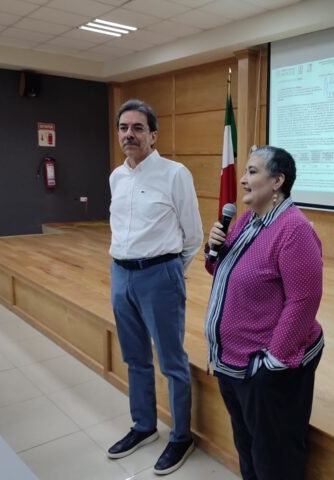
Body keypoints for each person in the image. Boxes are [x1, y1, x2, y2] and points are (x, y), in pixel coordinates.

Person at [204, 146, 324, 480]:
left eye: (253, 172)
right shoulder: (247, 220)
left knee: (274, 458)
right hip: (232, 362)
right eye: (245, 171)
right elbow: (221, 271)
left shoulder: (294, 229)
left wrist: (272, 363)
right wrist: (214, 249)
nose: (243, 179)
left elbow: (304, 301)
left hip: (264, 368)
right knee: (248, 448)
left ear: (277, 181)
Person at [107, 99, 203, 475]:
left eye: (137, 128)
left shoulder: (175, 174)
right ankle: (144, 426)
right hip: (121, 274)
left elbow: (193, 236)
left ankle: (181, 436)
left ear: (153, 135)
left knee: (171, 361)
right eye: (123, 128)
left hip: (159, 276)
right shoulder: (116, 177)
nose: (129, 134)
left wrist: (168, 273)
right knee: (135, 358)